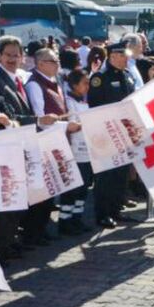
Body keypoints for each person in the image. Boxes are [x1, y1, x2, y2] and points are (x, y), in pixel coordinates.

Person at [0, 36, 59, 257]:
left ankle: (10, 241)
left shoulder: (15, 79)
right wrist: (38, 121)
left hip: (18, 145)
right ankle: (1, 248)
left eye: (17, 55)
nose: (13, 59)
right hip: (4, 149)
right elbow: (7, 116)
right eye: (8, 55)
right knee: (5, 203)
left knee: (16, 201)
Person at [25, 47, 79, 243]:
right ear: (40, 64)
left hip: (57, 141)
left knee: (51, 190)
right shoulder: (34, 85)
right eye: (52, 61)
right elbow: (41, 119)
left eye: (57, 60)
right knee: (42, 190)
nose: (57, 64)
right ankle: (34, 231)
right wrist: (66, 125)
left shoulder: (55, 81)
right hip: (43, 143)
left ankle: (42, 227)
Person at [87, 41, 137, 229]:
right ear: (113, 56)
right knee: (106, 176)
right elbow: (94, 106)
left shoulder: (127, 75)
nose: (127, 59)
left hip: (124, 133)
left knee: (121, 173)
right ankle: (103, 214)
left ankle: (116, 209)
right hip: (106, 134)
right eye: (123, 55)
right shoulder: (100, 78)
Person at [62, 69, 94, 235]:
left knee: (83, 187)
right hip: (75, 150)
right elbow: (72, 125)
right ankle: (65, 220)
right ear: (74, 85)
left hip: (87, 150)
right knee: (73, 188)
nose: (87, 86)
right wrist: (88, 122)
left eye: (88, 83)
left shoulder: (83, 101)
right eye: (84, 83)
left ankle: (76, 218)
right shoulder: (69, 101)